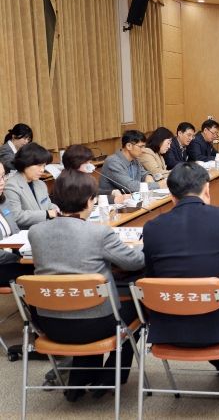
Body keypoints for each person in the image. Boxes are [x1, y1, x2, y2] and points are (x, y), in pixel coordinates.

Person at [142, 162, 219, 407]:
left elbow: (151, 276)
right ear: (206, 189)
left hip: (168, 329)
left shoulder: (152, 227)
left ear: (171, 195)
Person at [29, 169, 144, 401]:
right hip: (96, 325)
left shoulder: (35, 232)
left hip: (50, 324)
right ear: (89, 201)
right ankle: (109, 377)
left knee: (82, 304)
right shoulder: (99, 233)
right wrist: (143, 244)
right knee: (139, 306)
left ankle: (80, 379)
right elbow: (135, 262)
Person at [3, 143, 58, 229]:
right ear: (25, 163)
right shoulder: (11, 186)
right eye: (38, 165)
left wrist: (59, 210)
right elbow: (16, 216)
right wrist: (47, 213)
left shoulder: (40, 184)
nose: (42, 170)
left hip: (45, 229)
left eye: (44, 166)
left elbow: (48, 205)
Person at [98, 131, 166, 196]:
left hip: (133, 199)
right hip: (114, 202)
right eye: (141, 147)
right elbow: (130, 186)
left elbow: (143, 174)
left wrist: (148, 176)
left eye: (144, 147)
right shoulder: (113, 162)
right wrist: (159, 185)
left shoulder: (134, 159)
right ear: (129, 146)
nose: (143, 150)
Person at [0, 161, 34, 286]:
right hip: (4, 263)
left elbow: (15, 232)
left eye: (3, 176)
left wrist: (27, 252)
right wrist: (18, 260)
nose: (2, 182)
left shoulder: (3, 201)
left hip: (12, 257)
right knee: (41, 272)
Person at [62, 145, 132, 204]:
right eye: (86, 163)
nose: (90, 166)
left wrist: (113, 192)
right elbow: (85, 200)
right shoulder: (67, 181)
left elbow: (94, 191)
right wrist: (115, 200)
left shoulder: (82, 177)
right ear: (75, 163)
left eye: (90, 162)